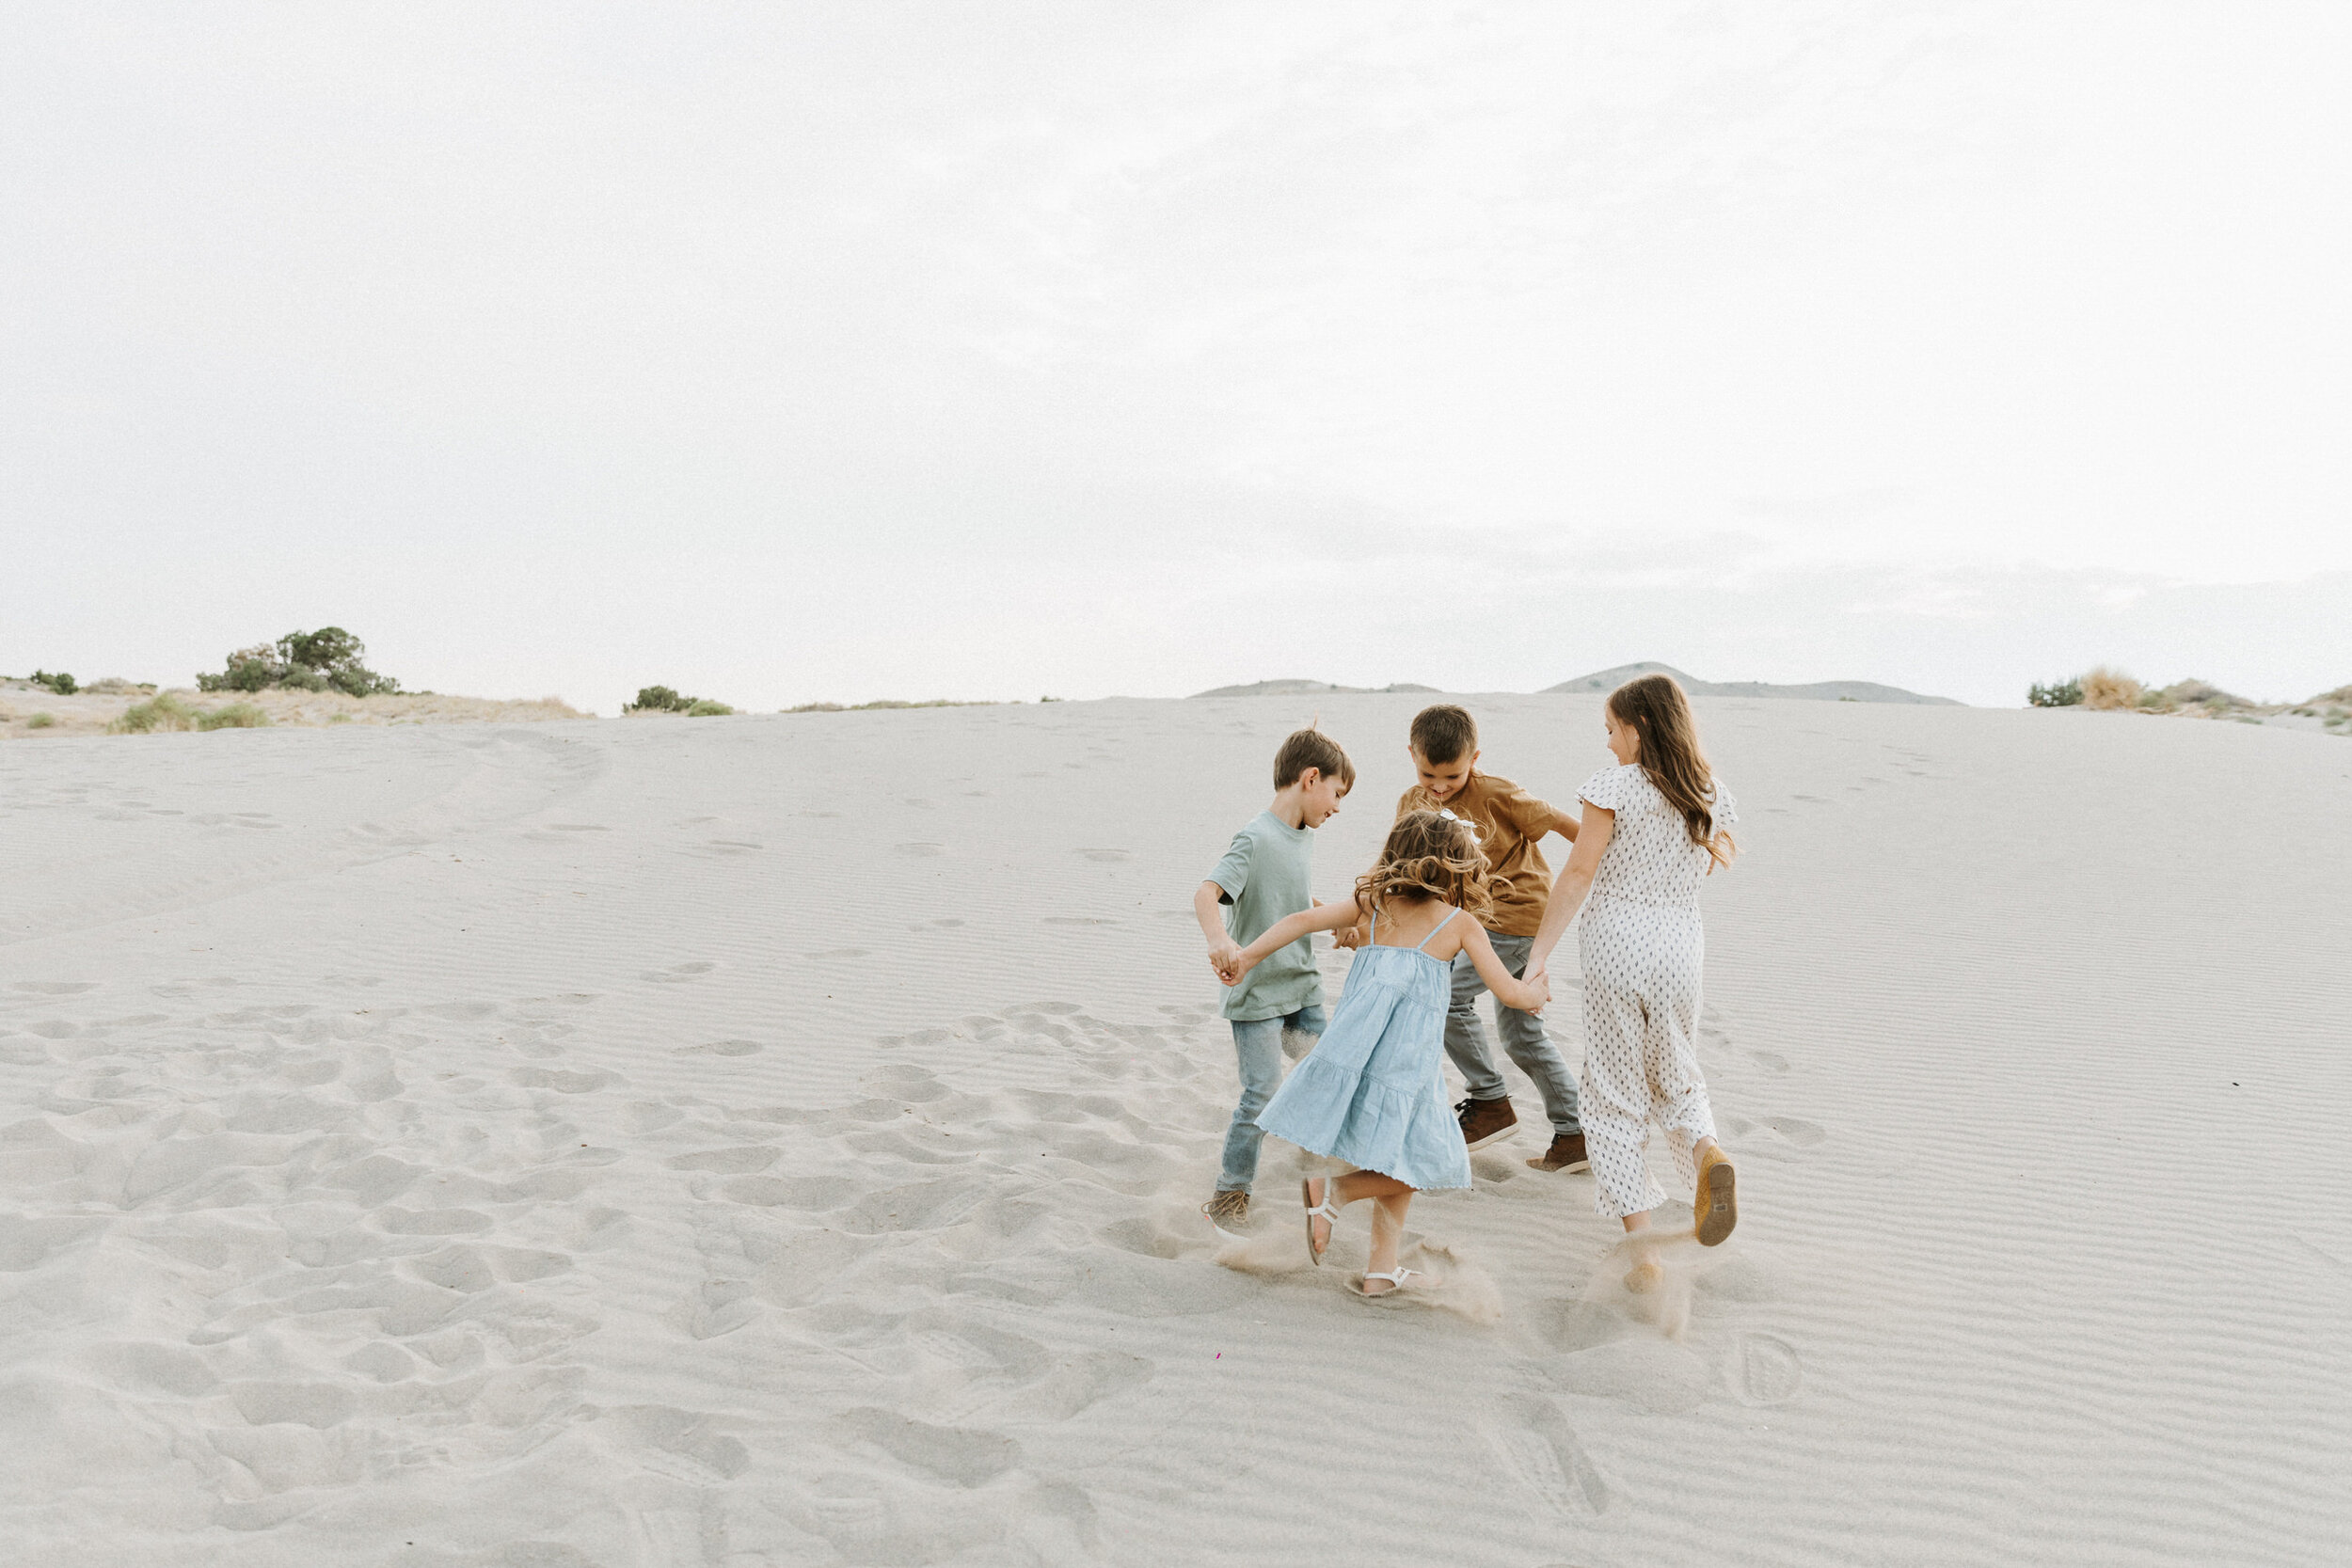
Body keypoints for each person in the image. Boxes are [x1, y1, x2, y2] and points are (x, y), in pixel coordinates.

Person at [1219, 811, 1549, 1297]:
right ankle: (1336, 1193)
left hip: (1358, 1056)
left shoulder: (1371, 906)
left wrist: (1246, 957)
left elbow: (1301, 920)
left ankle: (1382, 1269)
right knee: (1412, 1163)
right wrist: (1538, 990)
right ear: (1457, 865)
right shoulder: (1460, 924)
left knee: (1397, 1159)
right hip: (1408, 1068)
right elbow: (1511, 993)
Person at [1524, 674, 1740, 1291]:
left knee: (1612, 1096)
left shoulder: (1614, 787)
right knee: (1676, 1073)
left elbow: (1578, 873)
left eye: (1613, 730)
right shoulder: (1710, 792)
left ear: (1638, 728)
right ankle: (1707, 1153)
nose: (1610, 743)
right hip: (1680, 950)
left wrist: (1539, 953)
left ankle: (1643, 1253)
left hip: (1616, 948)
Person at [1360, 704, 1588, 1173]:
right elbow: (1393, 861)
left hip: (1518, 915)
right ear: (1411, 756)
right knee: (1521, 1033)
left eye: (1453, 777)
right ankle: (1576, 1134)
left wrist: (1612, 865)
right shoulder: (1413, 804)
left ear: (1475, 759)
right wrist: (1360, 905)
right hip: (1470, 922)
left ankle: (1490, 1104)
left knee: (1446, 999)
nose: (1440, 787)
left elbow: (1571, 828)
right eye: (1429, 774)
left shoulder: (1498, 794)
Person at [1193, 728, 1355, 1238]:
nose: (1336, 808)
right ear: (1311, 779)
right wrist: (1219, 939)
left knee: (1323, 1072)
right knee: (1261, 1092)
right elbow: (1206, 892)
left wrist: (1335, 920)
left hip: (1302, 987)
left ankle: (1321, 1170)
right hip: (1258, 994)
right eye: (1336, 794)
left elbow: (1296, 897)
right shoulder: (1255, 837)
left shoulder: (1301, 836)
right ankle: (1229, 1193)